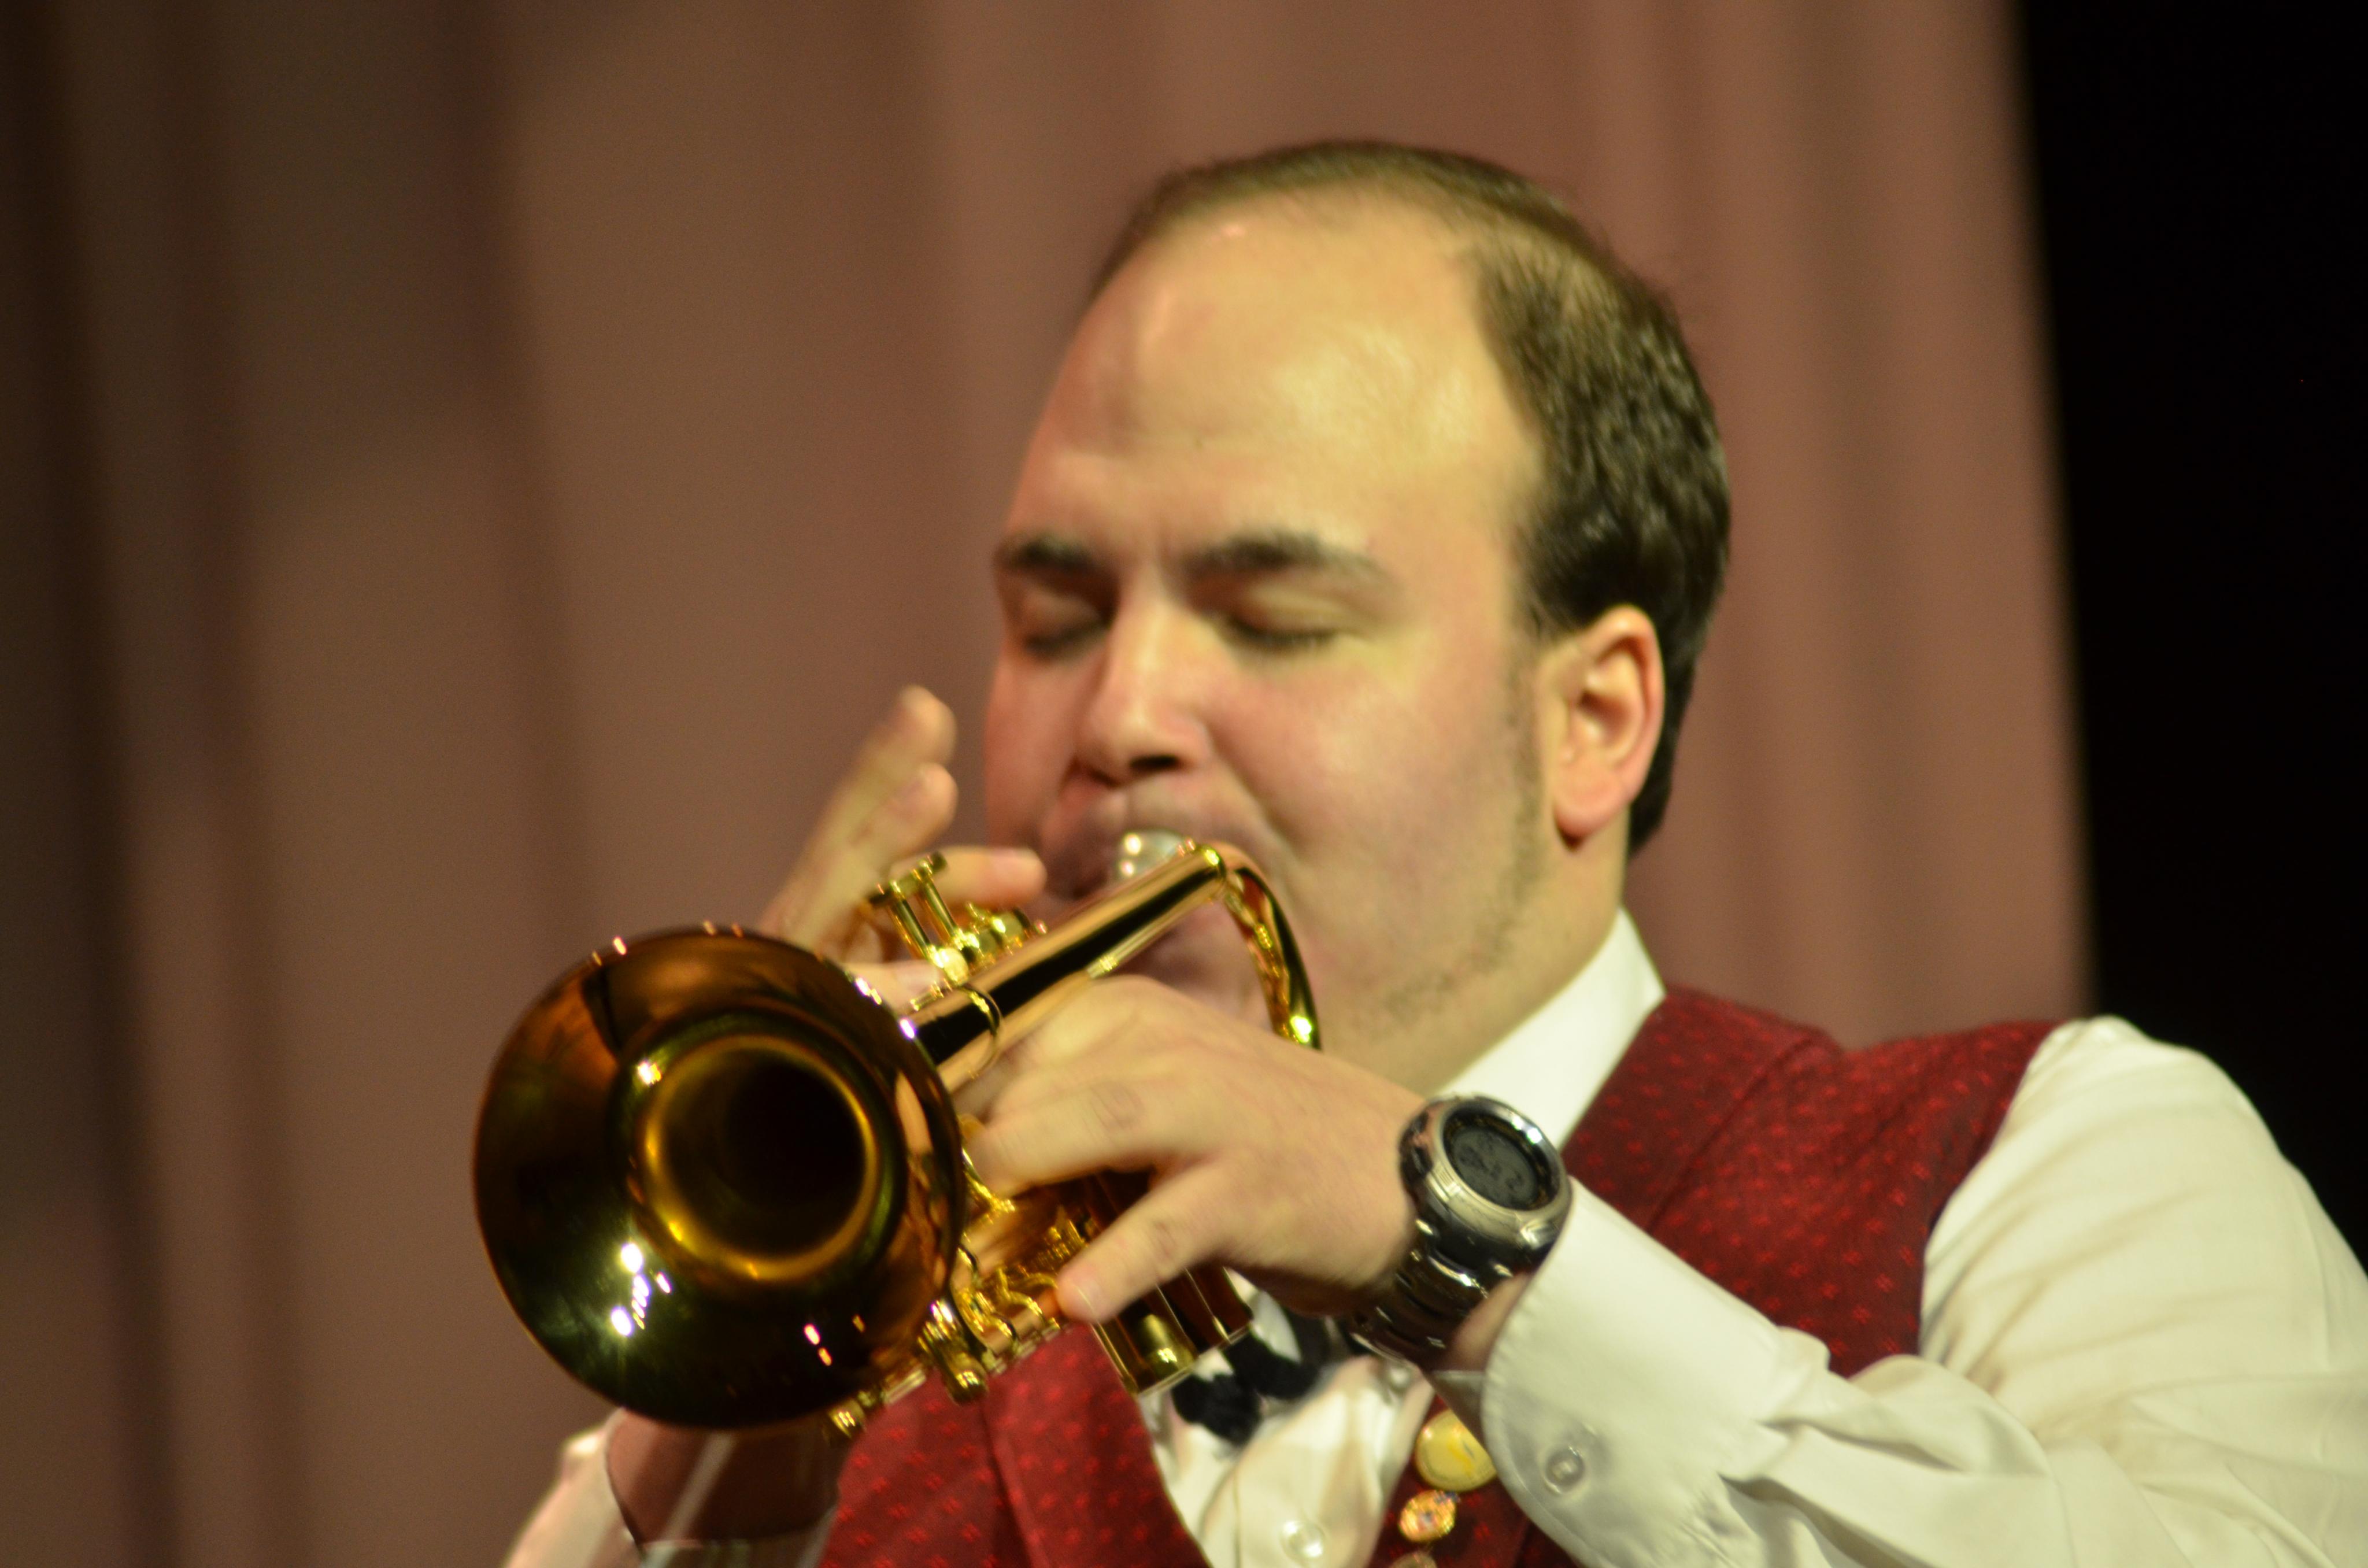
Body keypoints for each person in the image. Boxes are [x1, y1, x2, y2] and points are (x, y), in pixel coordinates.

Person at [504, 143, 2367, 1567]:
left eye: (1276, 618)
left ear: (1596, 718)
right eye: (1058, 619)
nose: (1118, 713)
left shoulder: (2061, 1161)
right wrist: (742, 1377)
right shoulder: (831, 1414)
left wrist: (1452, 1248)